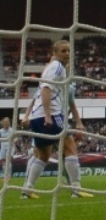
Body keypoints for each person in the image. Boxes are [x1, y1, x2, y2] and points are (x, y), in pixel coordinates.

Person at [21, 40, 93, 199]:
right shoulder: (57, 68)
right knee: (70, 147)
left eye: (68, 50)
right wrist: (48, 115)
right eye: (63, 51)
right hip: (51, 115)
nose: (67, 53)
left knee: (43, 156)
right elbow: (46, 90)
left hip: (36, 117)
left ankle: (27, 189)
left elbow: (42, 92)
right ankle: (76, 188)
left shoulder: (52, 68)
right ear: (55, 53)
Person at [0, 117, 13, 181]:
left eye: (8, 121)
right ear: (3, 123)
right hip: (2, 148)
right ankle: (4, 176)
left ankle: (9, 176)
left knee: (8, 161)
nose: (7, 123)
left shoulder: (12, 130)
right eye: (5, 122)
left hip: (10, 147)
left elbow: (15, 139)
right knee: (3, 162)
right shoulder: (0, 131)